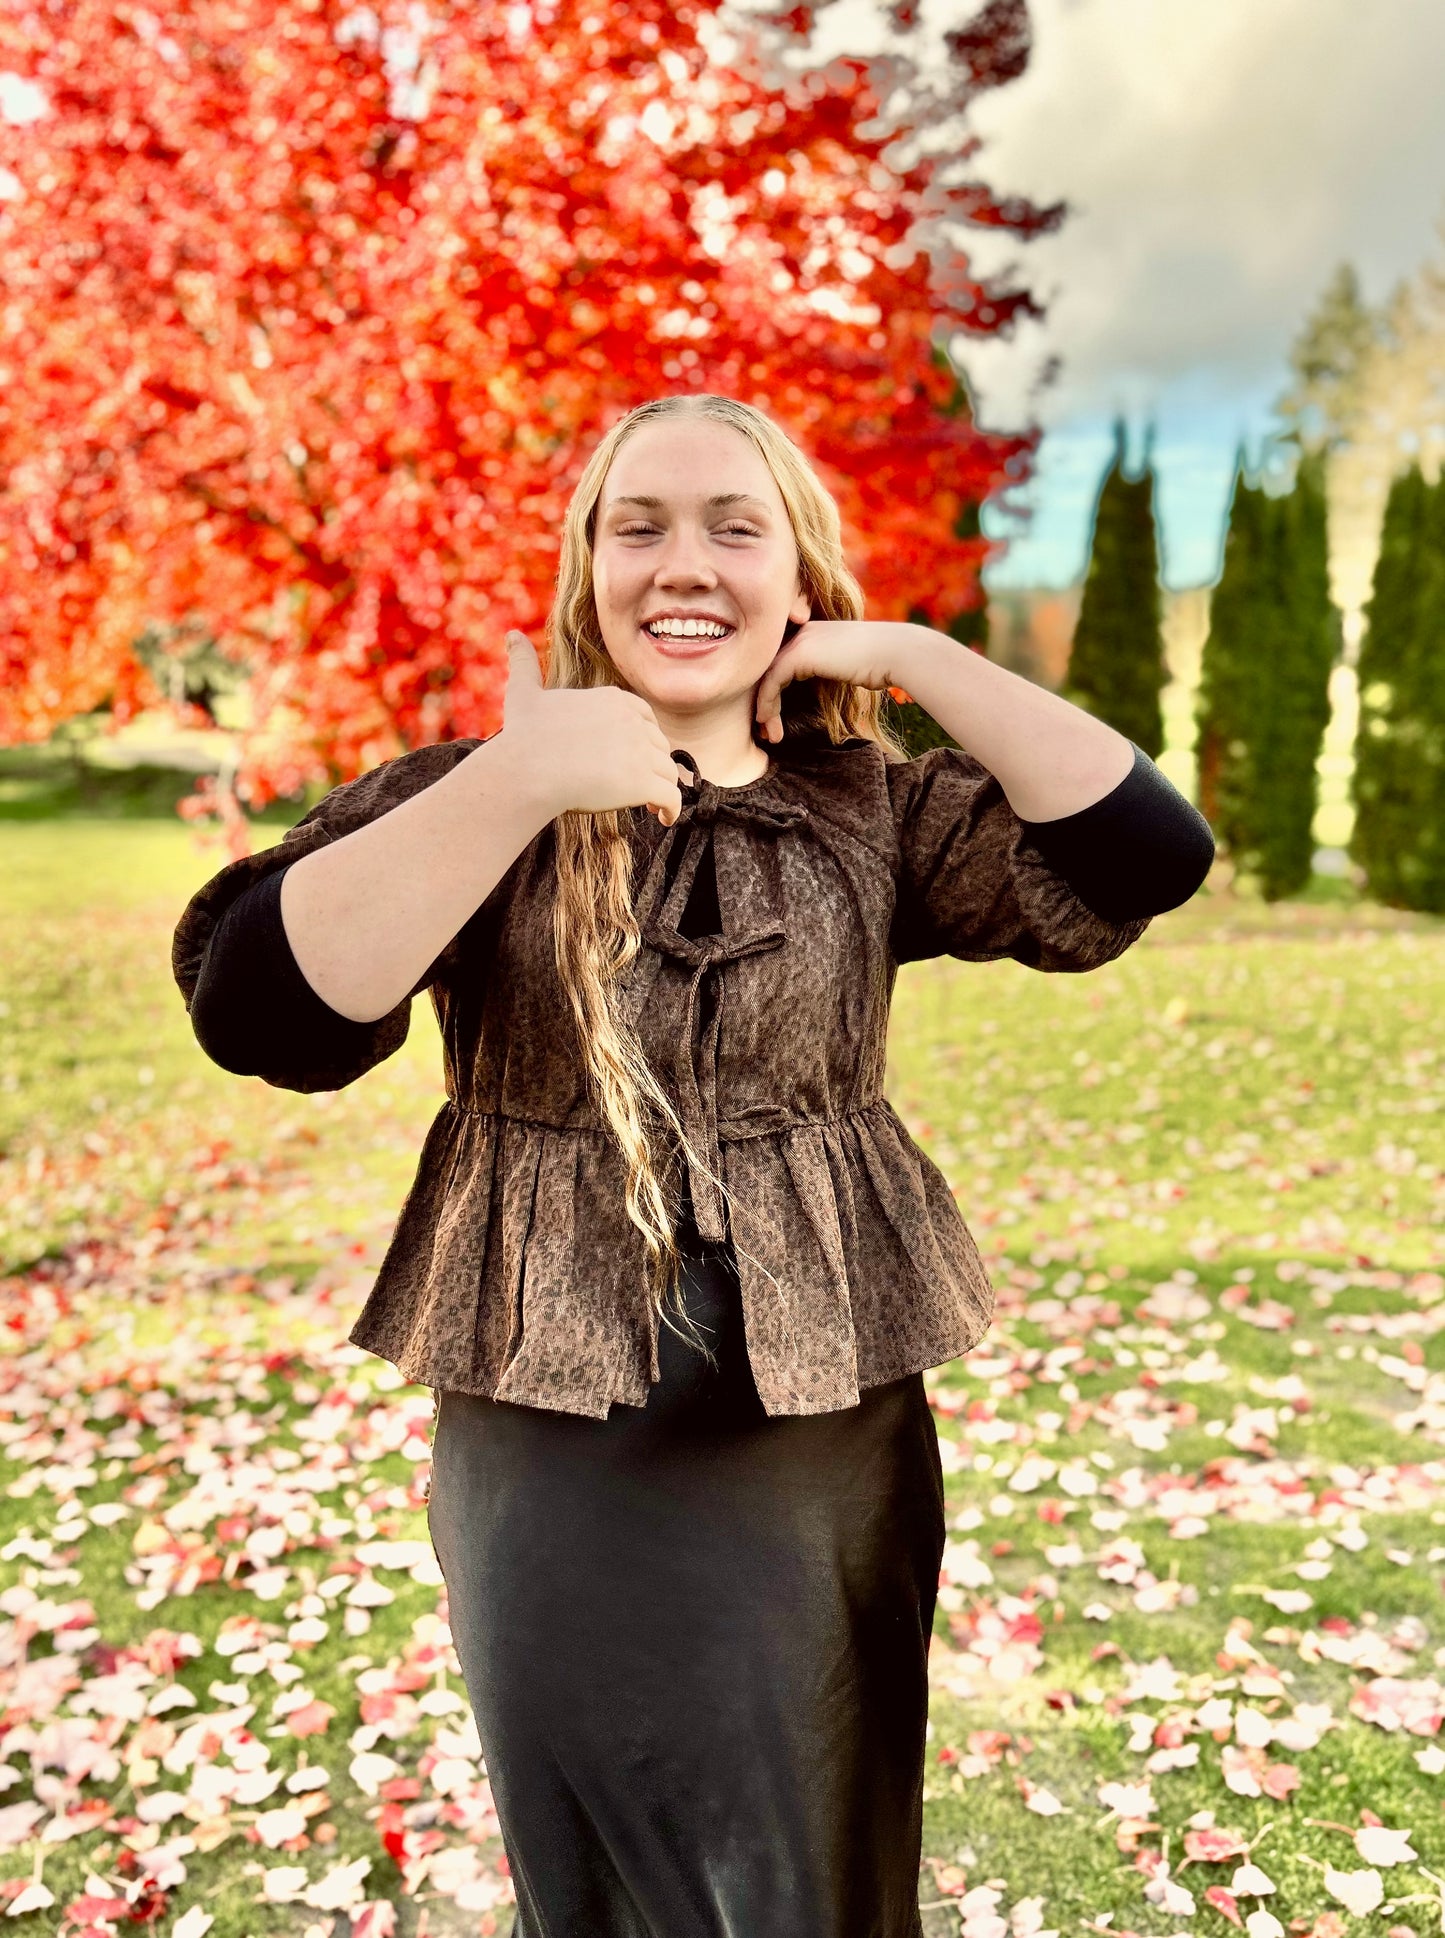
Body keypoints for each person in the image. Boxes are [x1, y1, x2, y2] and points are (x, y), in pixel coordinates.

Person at [172, 393, 1215, 1937]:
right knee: (584, 1878)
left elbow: (1148, 856)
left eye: (736, 526)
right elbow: (261, 1007)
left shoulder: (873, 809)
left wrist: (911, 661)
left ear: (796, 576)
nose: (685, 564)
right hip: (548, 1422)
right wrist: (519, 782)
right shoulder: (475, 797)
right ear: (584, 568)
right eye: (637, 524)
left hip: (818, 1432)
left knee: (817, 1874)